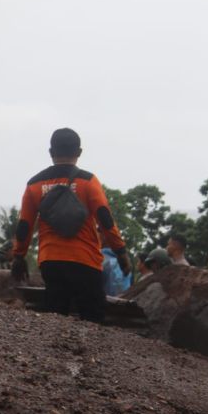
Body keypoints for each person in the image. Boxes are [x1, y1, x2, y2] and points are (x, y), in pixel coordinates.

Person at [11, 128, 129, 323]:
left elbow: (25, 225)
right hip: (86, 260)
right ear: (79, 152)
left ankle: (55, 353)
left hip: (51, 260)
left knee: (56, 319)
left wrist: (19, 256)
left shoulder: (34, 184)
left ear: (51, 152)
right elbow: (104, 218)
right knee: (93, 319)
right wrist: (121, 251)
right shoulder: (88, 181)